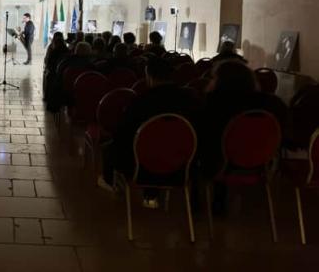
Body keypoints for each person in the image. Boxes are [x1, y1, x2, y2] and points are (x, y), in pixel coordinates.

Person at [103, 58, 200, 205]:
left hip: (141, 168)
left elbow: (121, 135)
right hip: (182, 167)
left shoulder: (140, 102)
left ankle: (114, 185)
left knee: (112, 147)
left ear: (149, 76)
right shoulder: (190, 100)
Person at [200, 60, 286, 214]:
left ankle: (202, 207)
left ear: (220, 80)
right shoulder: (272, 103)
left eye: (213, 78)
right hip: (261, 164)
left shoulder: (213, 103)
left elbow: (206, 136)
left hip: (221, 165)